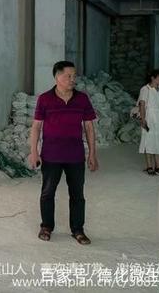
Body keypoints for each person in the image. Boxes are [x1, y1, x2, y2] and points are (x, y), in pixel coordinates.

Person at [28, 61, 99, 245]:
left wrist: (92, 154)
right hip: (51, 155)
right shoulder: (45, 99)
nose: (72, 79)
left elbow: (89, 127)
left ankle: (78, 230)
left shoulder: (82, 99)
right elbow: (36, 127)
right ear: (57, 77)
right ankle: (46, 226)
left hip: (75, 156)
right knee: (47, 192)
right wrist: (34, 152)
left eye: (74, 76)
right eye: (68, 76)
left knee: (77, 195)